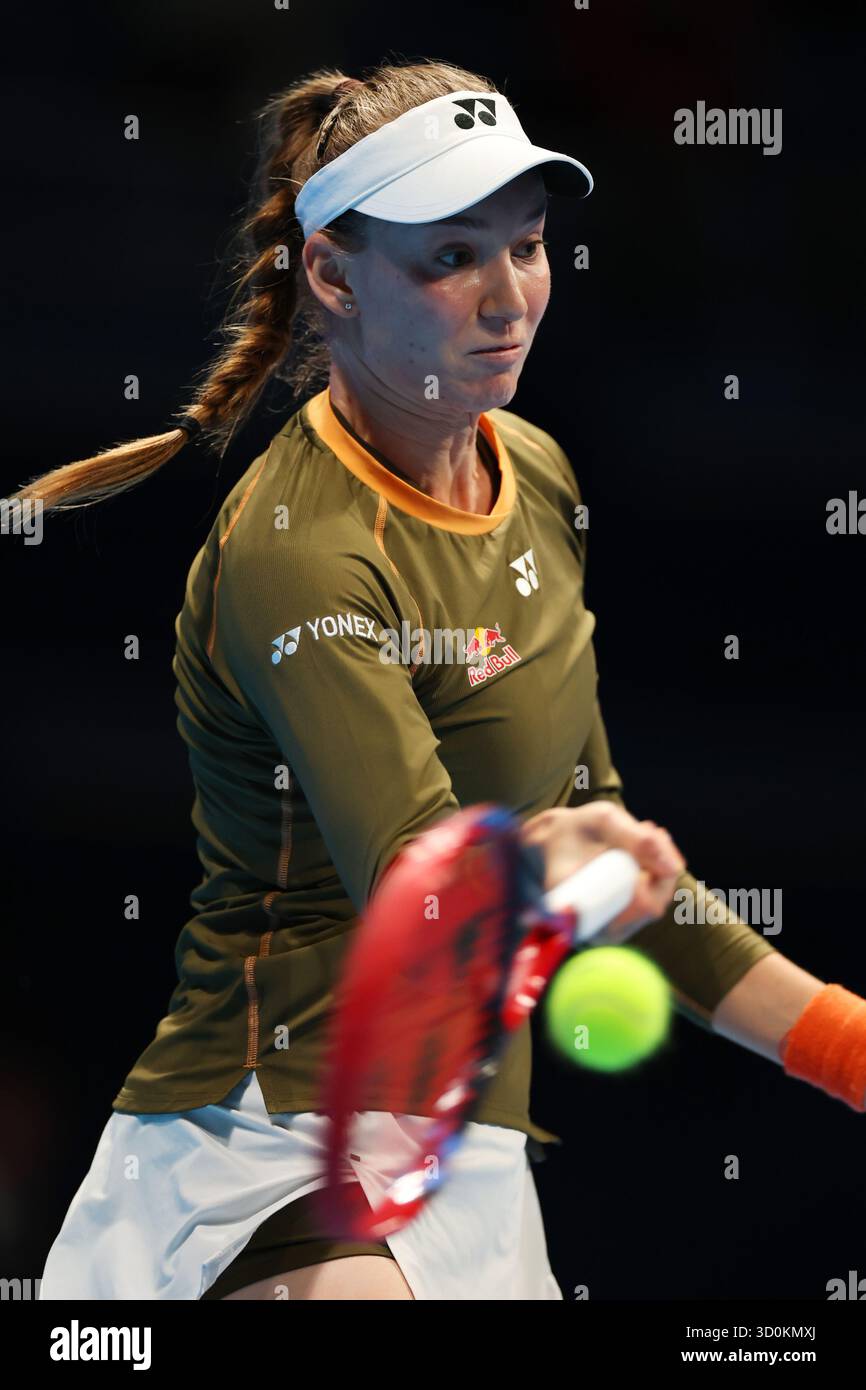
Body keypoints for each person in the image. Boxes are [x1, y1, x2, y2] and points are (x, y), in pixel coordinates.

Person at [19, 59, 865, 1302]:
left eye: (525, 247)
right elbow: (427, 896)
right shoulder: (299, 554)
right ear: (332, 276)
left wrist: (843, 1047)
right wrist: (549, 857)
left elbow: (623, 861)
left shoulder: (533, 469)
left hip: (465, 1144)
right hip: (266, 1144)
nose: (506, 299)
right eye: (449, 259)